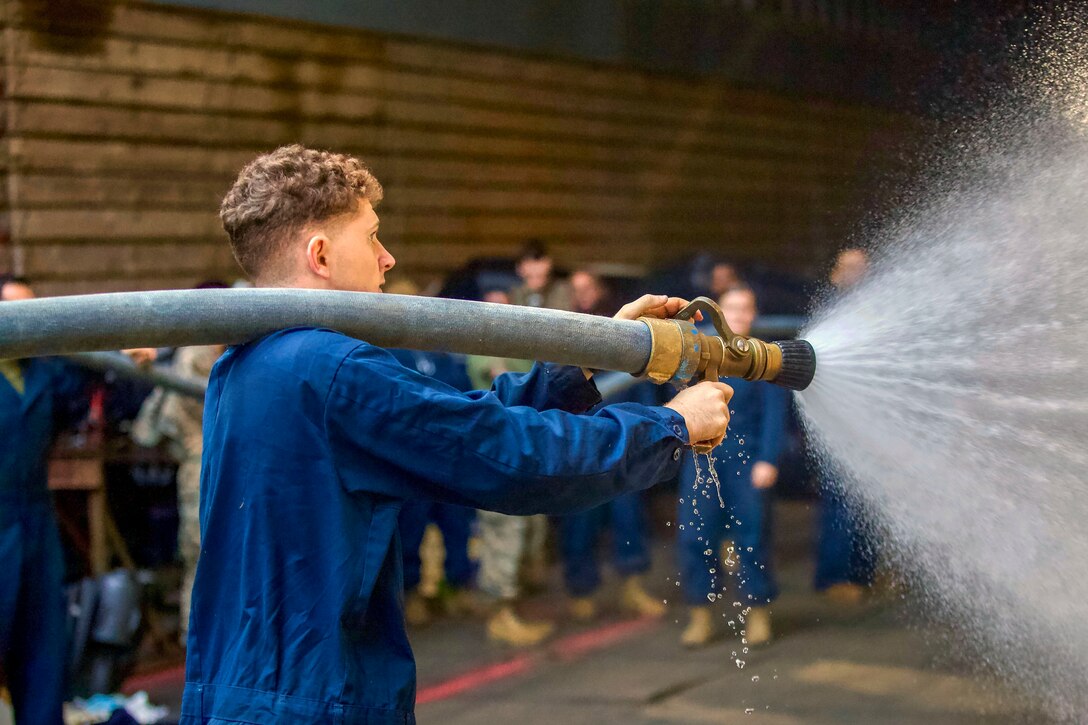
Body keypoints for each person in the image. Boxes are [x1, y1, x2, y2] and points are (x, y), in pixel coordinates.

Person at [180, 145, 733, 724]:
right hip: (313, 702)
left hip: (236, 692)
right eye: (372, 237)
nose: (388, 257)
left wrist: (582, 363)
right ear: (320, 254)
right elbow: (510, 460)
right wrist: (671, 424)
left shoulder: (244, 365)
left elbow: (456, 427)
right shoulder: (336, 369)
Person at [0, 276, 155, 724]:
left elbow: (100, 384)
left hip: (33, 516)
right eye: (13, 311)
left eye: (33, 312)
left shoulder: (45, 370)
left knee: (43, 643)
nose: (25, 323)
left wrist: (125, 355)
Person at [677, 284, 789, 648]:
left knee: (752, 537)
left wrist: (768, 459)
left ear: (753, 315)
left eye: (745, 309)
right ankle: (700, 613)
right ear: (719, 314)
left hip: (748, 458)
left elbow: (776, 414)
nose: (738, 315)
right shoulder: (699, 355)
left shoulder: (764, 358)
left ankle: (757, 611)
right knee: (696, 536)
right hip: (702, 457)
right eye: (731, 308)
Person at [560, 270, 664, 621]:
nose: (583, 294)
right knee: (581, 518)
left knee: (628, 514)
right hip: (582, 442)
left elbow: (643, 388)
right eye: (577, 290)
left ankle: (632, 585)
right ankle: (582, 590)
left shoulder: (625, 336)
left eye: (587, 287)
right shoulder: (567, 331)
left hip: (622, 441)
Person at [465, 288, 553, 646]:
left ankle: (506, 605)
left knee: (525, 533)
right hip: (496, 454)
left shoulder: (518, 349)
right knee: (504, 535)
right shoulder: (481, 349)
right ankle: (500, 616)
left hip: (521, 451)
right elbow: (508, 380)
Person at [815, 248, 877, 603]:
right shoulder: (828, 311)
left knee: (866, 499)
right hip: (838, 424)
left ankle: (863, 574)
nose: (856, 274)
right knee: (840, 501)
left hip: (868, 423)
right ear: (835, 273)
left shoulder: (873, 308)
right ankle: (834, 577)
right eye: (848, 268)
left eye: (861, 268)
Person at [509, 239, 572, 310]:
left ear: (548, 264)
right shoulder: (514, 292)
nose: (536, 283)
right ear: (519, 268)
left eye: (540, 277)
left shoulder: (561, 291)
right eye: (530, 277)